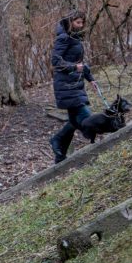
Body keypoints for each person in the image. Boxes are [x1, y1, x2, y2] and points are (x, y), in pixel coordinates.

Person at [49, 9, 99, 163]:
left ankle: (59, 150)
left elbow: (80, 64)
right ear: (70, 22)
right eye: (78, 22)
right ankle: (99, 150)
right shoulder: (63, 38)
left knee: (74, 121)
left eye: (82, 22)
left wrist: (90, 79)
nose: (81, 25)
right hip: (66, 85)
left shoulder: (74, 38)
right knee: (86, 118)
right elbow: (56, 61)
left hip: (75, 84)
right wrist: (73, 68)